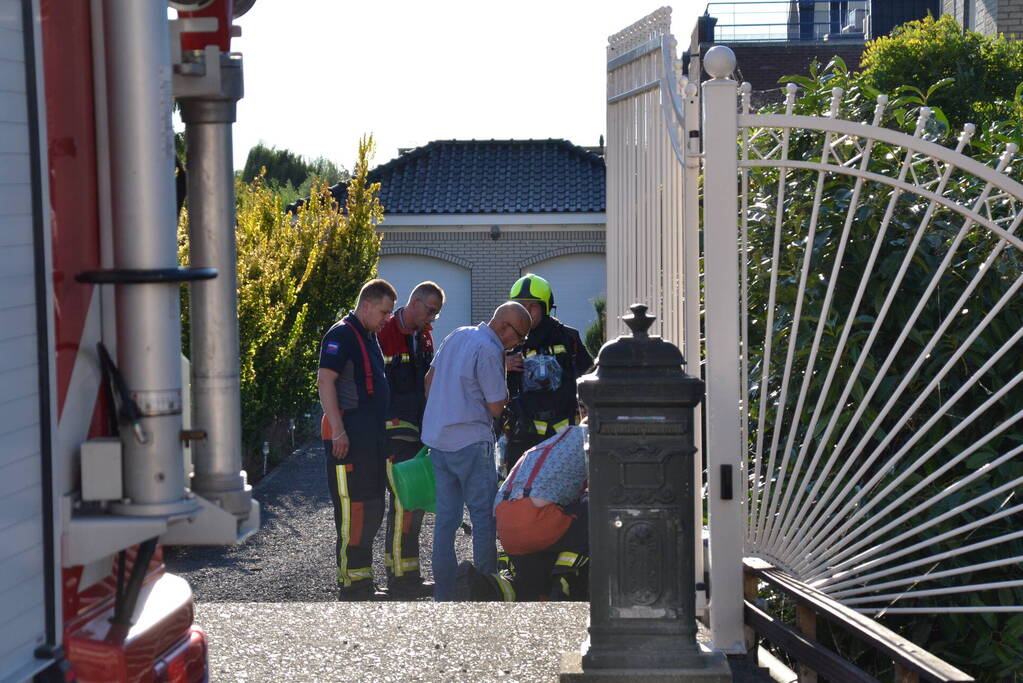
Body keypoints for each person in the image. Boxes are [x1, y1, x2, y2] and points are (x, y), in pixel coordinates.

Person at [422, 301, 532, 601]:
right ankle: (487, 590)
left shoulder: (457, 334)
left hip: (439, 440)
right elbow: (496, 406)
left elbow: (428, 383)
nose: (517, 344)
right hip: (471, 440)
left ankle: (443, 594)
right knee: (484, 518)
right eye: (519, 336)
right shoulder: (490, 348)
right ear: (504, 327)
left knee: (446, 521)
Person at [316, 278, 396, 599]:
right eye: (383, 312)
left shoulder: (368, 334)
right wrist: (338, 430)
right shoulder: (341, 334)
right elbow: (325, 381)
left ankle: (361, 581)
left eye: (390, 313)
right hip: (348, 436)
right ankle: (352, 585)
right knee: (355, 511)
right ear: (366, 306)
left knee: (373, 507)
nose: (387, 318)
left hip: (370, 436)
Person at [468, 424, 589, 602]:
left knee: (530, 590)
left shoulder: (547, 446)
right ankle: (566, 575)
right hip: (536, 521)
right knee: (597, 514)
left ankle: (488, 586)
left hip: (508, 527)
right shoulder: (591, 441)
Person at [376, 281, 444, 595]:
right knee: (404, 503)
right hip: (391, 435)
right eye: (430, 310)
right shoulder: (384, 332)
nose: (432, 318)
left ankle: (407, 575)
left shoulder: (424, 337)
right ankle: (400, 579)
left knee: (412, 504)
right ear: (414, 302)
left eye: (436, 314)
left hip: (417, 433)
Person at [502, 274, 593, 472]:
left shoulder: (568, 338)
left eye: (532, 306)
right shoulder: (506, 341)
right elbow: (485, 380)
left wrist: (587, 405)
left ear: (545, 307)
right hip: (523, 432)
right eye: (520, 306)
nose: (526, 312)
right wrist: (503, 364)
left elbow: (590, 373)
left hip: (564, 430)